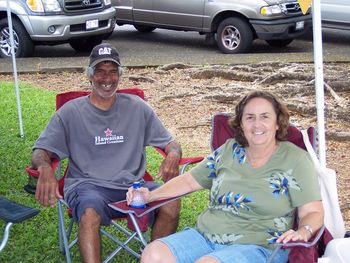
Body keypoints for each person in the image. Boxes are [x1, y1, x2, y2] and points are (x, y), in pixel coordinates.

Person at [127, 90, 324, 263]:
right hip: (205, 236)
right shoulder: (229, 150)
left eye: (265, 116)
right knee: (154, 254)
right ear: (241, 124)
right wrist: (149, 196)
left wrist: (303, 232)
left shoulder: (296, 159)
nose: (257, 124)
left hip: (258, 246)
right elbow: (189, 181)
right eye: (249, 117)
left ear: (277, 123)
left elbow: (313, 212)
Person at [31, 43, 182, 263]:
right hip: (88, 185)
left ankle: (153, 258)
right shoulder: (71, 112)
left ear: (120, 75)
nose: (107, 78)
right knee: (90, 212)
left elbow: (171, 143)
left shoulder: (137, 107)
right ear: (90, 76)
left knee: (171, 202)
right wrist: (44, 168)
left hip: (133, 187)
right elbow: (40, 151)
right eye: (100, 71)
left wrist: (173, 155)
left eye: (113, 71)